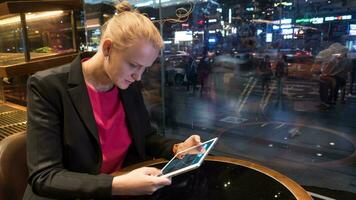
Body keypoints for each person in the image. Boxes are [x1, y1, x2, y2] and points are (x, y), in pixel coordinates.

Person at [25, 2, 201, 199]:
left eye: (144, 69)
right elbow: (45, 176)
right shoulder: (47, 86)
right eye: (134, 65)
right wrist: (116, 184)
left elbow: (145, 138)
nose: (138, 77)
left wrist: (178, 148)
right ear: (108, 48)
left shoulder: (126, 84)